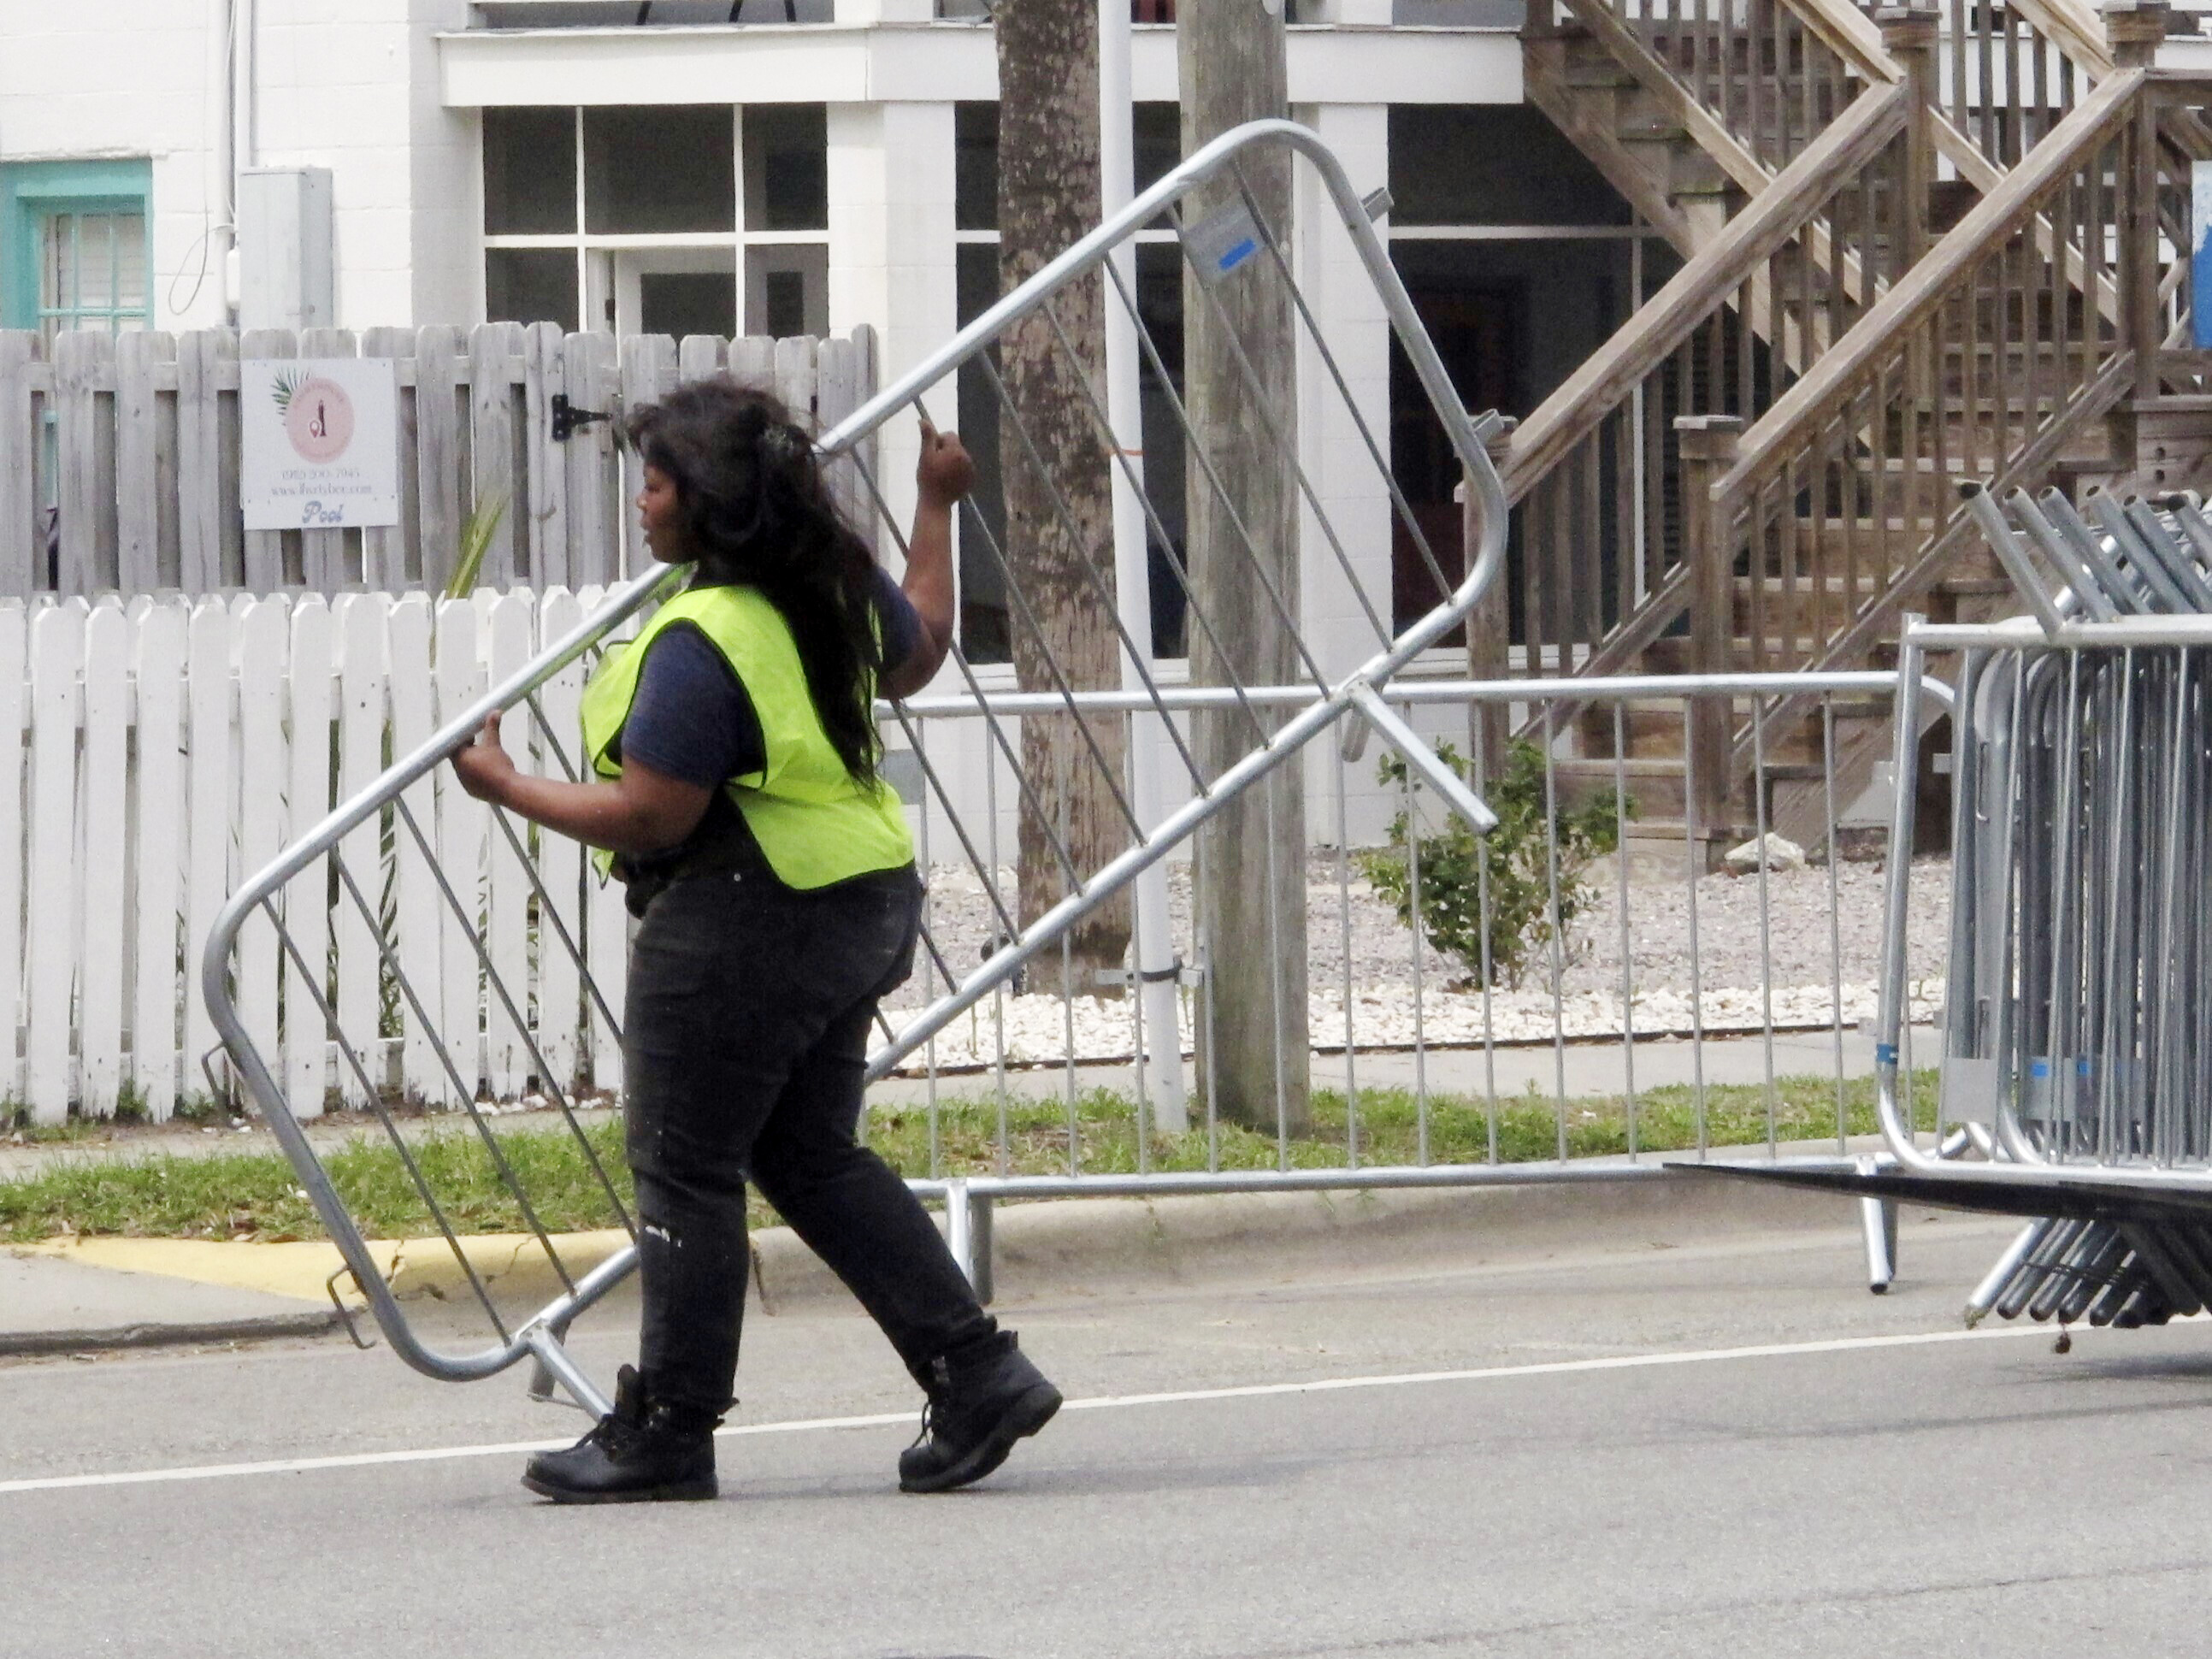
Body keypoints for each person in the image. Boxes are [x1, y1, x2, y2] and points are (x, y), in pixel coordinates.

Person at [449, 378, 1061, 1503]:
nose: (640, 503)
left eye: (653, 482)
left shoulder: (702, 637)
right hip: (863, 899)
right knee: (810, 1154)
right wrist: (937, 506)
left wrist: (505, 785)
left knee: (685, 1165)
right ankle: (976, 1372)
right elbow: (919, 650)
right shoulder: (826, 580)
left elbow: (652, 816)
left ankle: (669, 1431)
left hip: (744, 918)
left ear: (704, 501)